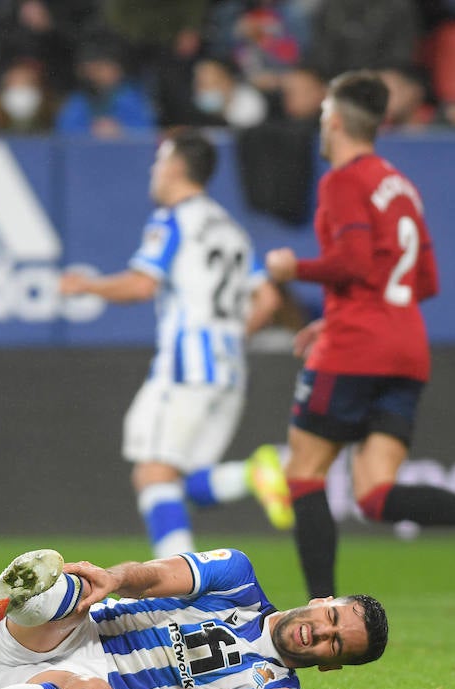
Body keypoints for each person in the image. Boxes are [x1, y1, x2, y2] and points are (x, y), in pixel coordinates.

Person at [263, 71, 455, 600]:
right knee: (373, 494)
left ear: (337, 121)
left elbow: (353, 259)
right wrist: (343, 309)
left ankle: (320, 608)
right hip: (406, 345)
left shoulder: (343, 180)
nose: (321, 126)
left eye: (324, 115)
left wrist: (290, 269)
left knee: (303, 473)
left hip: (357, 346)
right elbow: (425, 280)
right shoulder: (399, 184)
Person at [60, 129, 294, 558]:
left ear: (175, 166)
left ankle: (178, 586)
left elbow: (141, 285)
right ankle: (252, 475)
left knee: (153, 474)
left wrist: (86, 286)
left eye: (158, 161)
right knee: (182, 483)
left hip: (186, 364)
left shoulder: (173, 219)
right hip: (228, 368)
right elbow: (270, 298)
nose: (154, 170)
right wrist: (227, 335)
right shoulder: (231, 229)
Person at [0, 545, 387, 689]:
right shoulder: (237, 578)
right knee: (82, 594)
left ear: (330, 666)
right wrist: (112, 579)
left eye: (335, 645)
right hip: (65, 635)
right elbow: (154, 578)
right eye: (332, 617)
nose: (320, 632)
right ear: (324, 598)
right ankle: (18, 599)